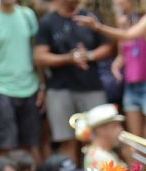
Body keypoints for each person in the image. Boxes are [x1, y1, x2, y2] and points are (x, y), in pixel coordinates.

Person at [74, 0, 146, 143]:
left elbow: (129, 36)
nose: (116, 2)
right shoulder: (123, 22)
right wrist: (116, 65)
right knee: (134, 140)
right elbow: (123, 54)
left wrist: (98, 27)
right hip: (131, 86)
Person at [34, 0, 113, 159]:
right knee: (67, 141)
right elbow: (40, 56)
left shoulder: (90, 18)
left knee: (96, 139)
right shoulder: (48, 22)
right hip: (60, 89)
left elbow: (108, 47)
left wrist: (89, 55)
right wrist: (68, 59)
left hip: (91, 87)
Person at [0, 0, 42, 160]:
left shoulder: (27, 15)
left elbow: (35, 52)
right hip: (1, 89)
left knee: (30, 145)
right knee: (4, 146)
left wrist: (41, 85)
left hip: (29, 87)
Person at [75, 102, 125, 170]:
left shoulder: (105, 153)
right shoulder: (100, 157)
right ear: (101, 130)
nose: (120, 130)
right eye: (115, 126)